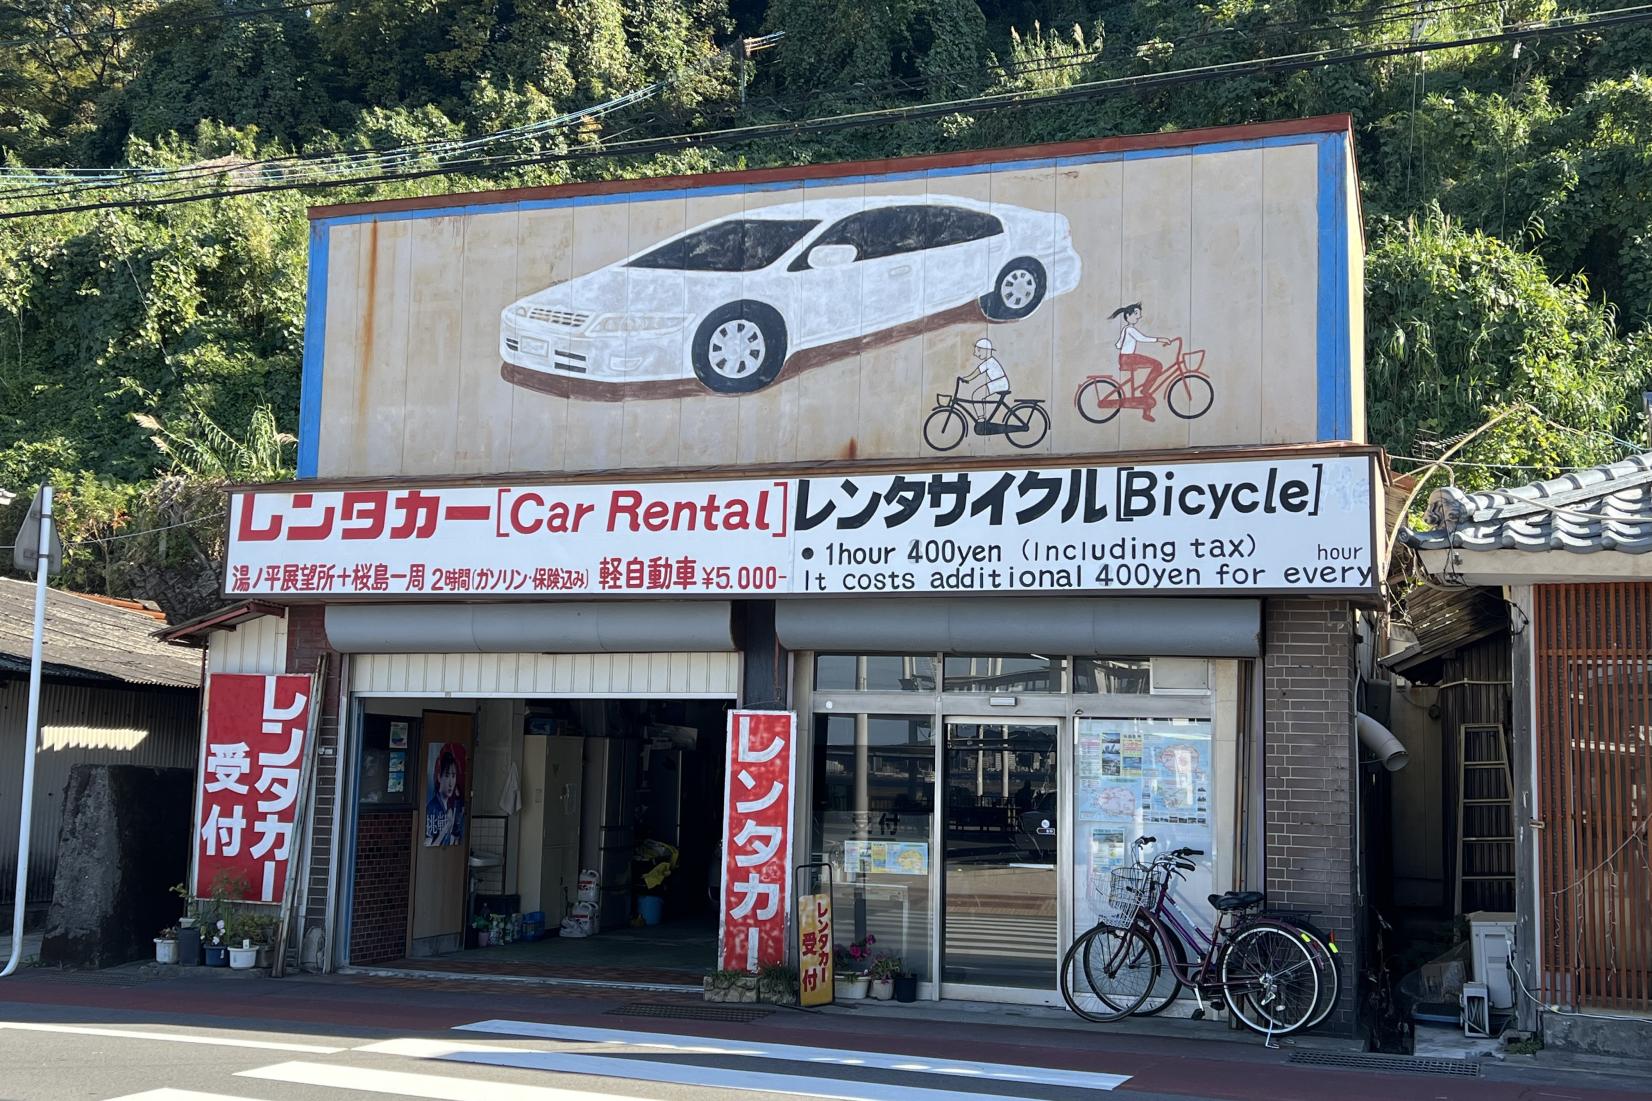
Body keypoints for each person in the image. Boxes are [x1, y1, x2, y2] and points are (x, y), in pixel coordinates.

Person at [1110, 303, 1168, 422]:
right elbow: (1142, 338)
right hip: (1129, 358)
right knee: (1157, 365)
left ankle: (1145, 405)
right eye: (1136, 314)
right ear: (1128, 315)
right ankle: (1145, 390)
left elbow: (1118, 345)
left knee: (1154, 368)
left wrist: (1126, 345)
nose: (1139, 317)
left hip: (1124, 358)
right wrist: (1160, 339)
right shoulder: (1130, 329)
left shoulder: (1125, 329)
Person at [424, 745, 465, 846]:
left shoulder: (451, 806)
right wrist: (445, 827)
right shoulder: (432, 808)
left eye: (453, 776)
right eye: (447, 775)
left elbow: (456, 838)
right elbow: (427, 845)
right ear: (439, 777)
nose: (451, 783)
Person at [961, 337, 1011, 416]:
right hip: (1000, 383)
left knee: (977, 395)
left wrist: (966, 379)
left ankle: (981, 418)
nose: (976, 353)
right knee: (979, 395)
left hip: (1000, 383)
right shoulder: (990, 361)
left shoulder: (989, 362)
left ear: (985, 350)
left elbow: (976, 373)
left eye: (979, 350)